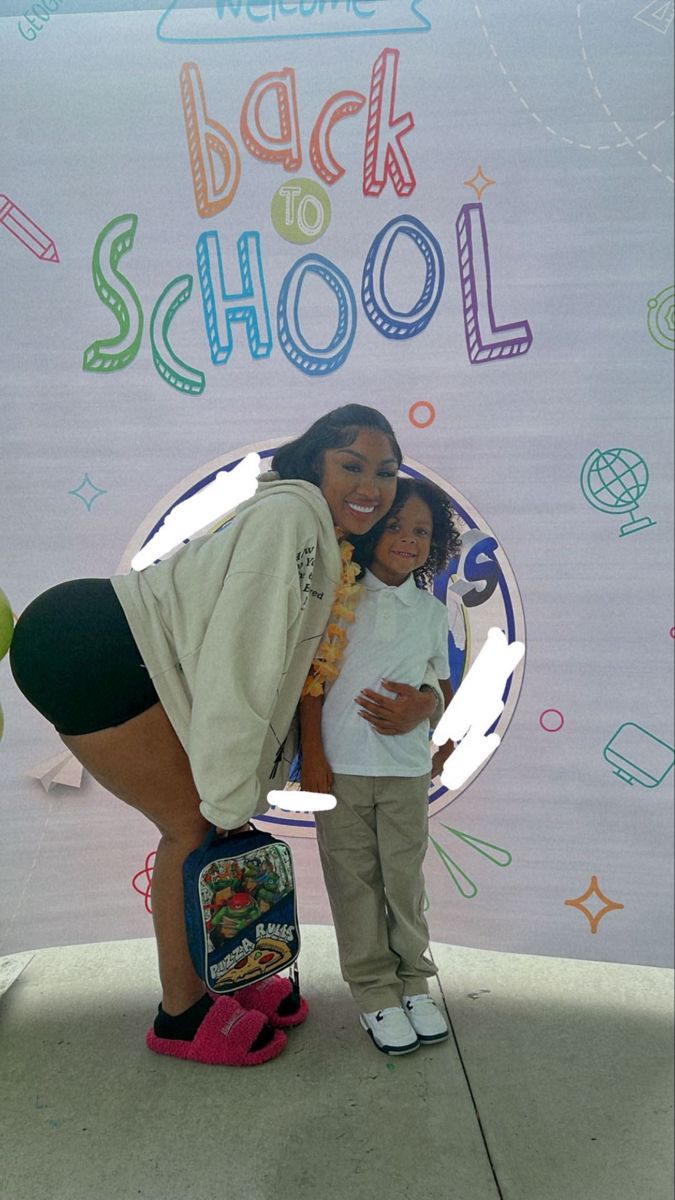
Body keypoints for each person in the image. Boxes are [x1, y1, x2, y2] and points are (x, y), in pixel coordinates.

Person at [8, 406, 442, 1068]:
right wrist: (238, 788)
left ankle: (218, 977)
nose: (372, 485)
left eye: (384, 471)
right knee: (193, 827)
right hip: (92, 647)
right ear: (312, 462)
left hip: (113, 647)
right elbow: (248, 659)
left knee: (205, 827)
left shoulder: (317, 531)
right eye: (350, 464)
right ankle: (179, 1016)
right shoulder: (294, 518)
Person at [299, 477, 461, 1056]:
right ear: (367, 530)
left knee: (404, 880)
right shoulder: (336, 598)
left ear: (434, 544)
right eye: (393, 525)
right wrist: (312, 757)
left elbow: (443, 689)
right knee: (354, 882)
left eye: (421, 531)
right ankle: (373, 991)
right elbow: (308, 686)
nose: (406, 538)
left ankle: (414, 982)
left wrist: (426, 706)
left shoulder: (429, 611)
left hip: (405, 773)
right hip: (339, 771)